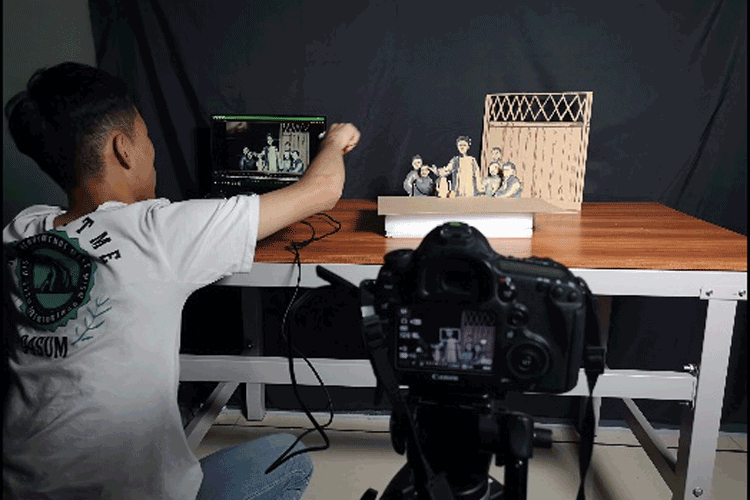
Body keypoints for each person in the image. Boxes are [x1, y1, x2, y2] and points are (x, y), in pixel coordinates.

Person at [2, 62, 360, 500]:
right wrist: (334, 141)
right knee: (291, 457)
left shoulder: (22, 232)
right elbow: (323, 189)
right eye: (146, 136)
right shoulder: (158, 233)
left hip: (21, 488)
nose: (152, 150)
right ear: (123, 149)